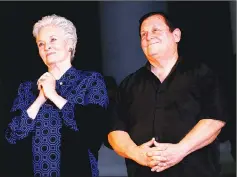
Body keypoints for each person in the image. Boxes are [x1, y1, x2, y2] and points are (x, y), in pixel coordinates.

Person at [108, 11, 229, 177]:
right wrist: (137, 153)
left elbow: (215, 120)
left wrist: (180, 150)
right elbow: (115, 131)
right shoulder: (128, 85)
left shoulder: (201, 74)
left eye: (156, 30)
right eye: (143, 34)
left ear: (176, 35)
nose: (148, 37)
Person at [5, 14, 109, 177]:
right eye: (41, 44)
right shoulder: (27, 88)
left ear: (70, 44)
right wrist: (40, 99)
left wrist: (54, 95)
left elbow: (93, 132)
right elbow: (12, 136)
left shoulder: (90, 80)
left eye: (53, 40)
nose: (46, 47)